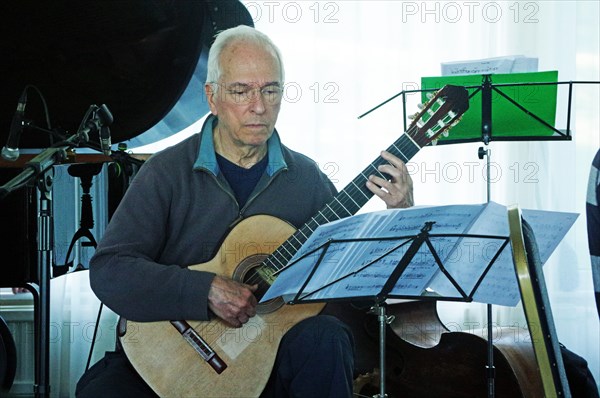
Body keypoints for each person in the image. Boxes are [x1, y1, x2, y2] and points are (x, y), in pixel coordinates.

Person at [76, 25, 413, 397]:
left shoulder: (307, 180)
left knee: (327, 336)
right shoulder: (166, 172)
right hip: (171, 355)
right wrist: (204, 290)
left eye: (271, 90)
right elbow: (110, 271)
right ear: (212, 97)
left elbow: (356, 282)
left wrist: (400, 215)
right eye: (241, 91)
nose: (259, 106)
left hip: (265, 362)